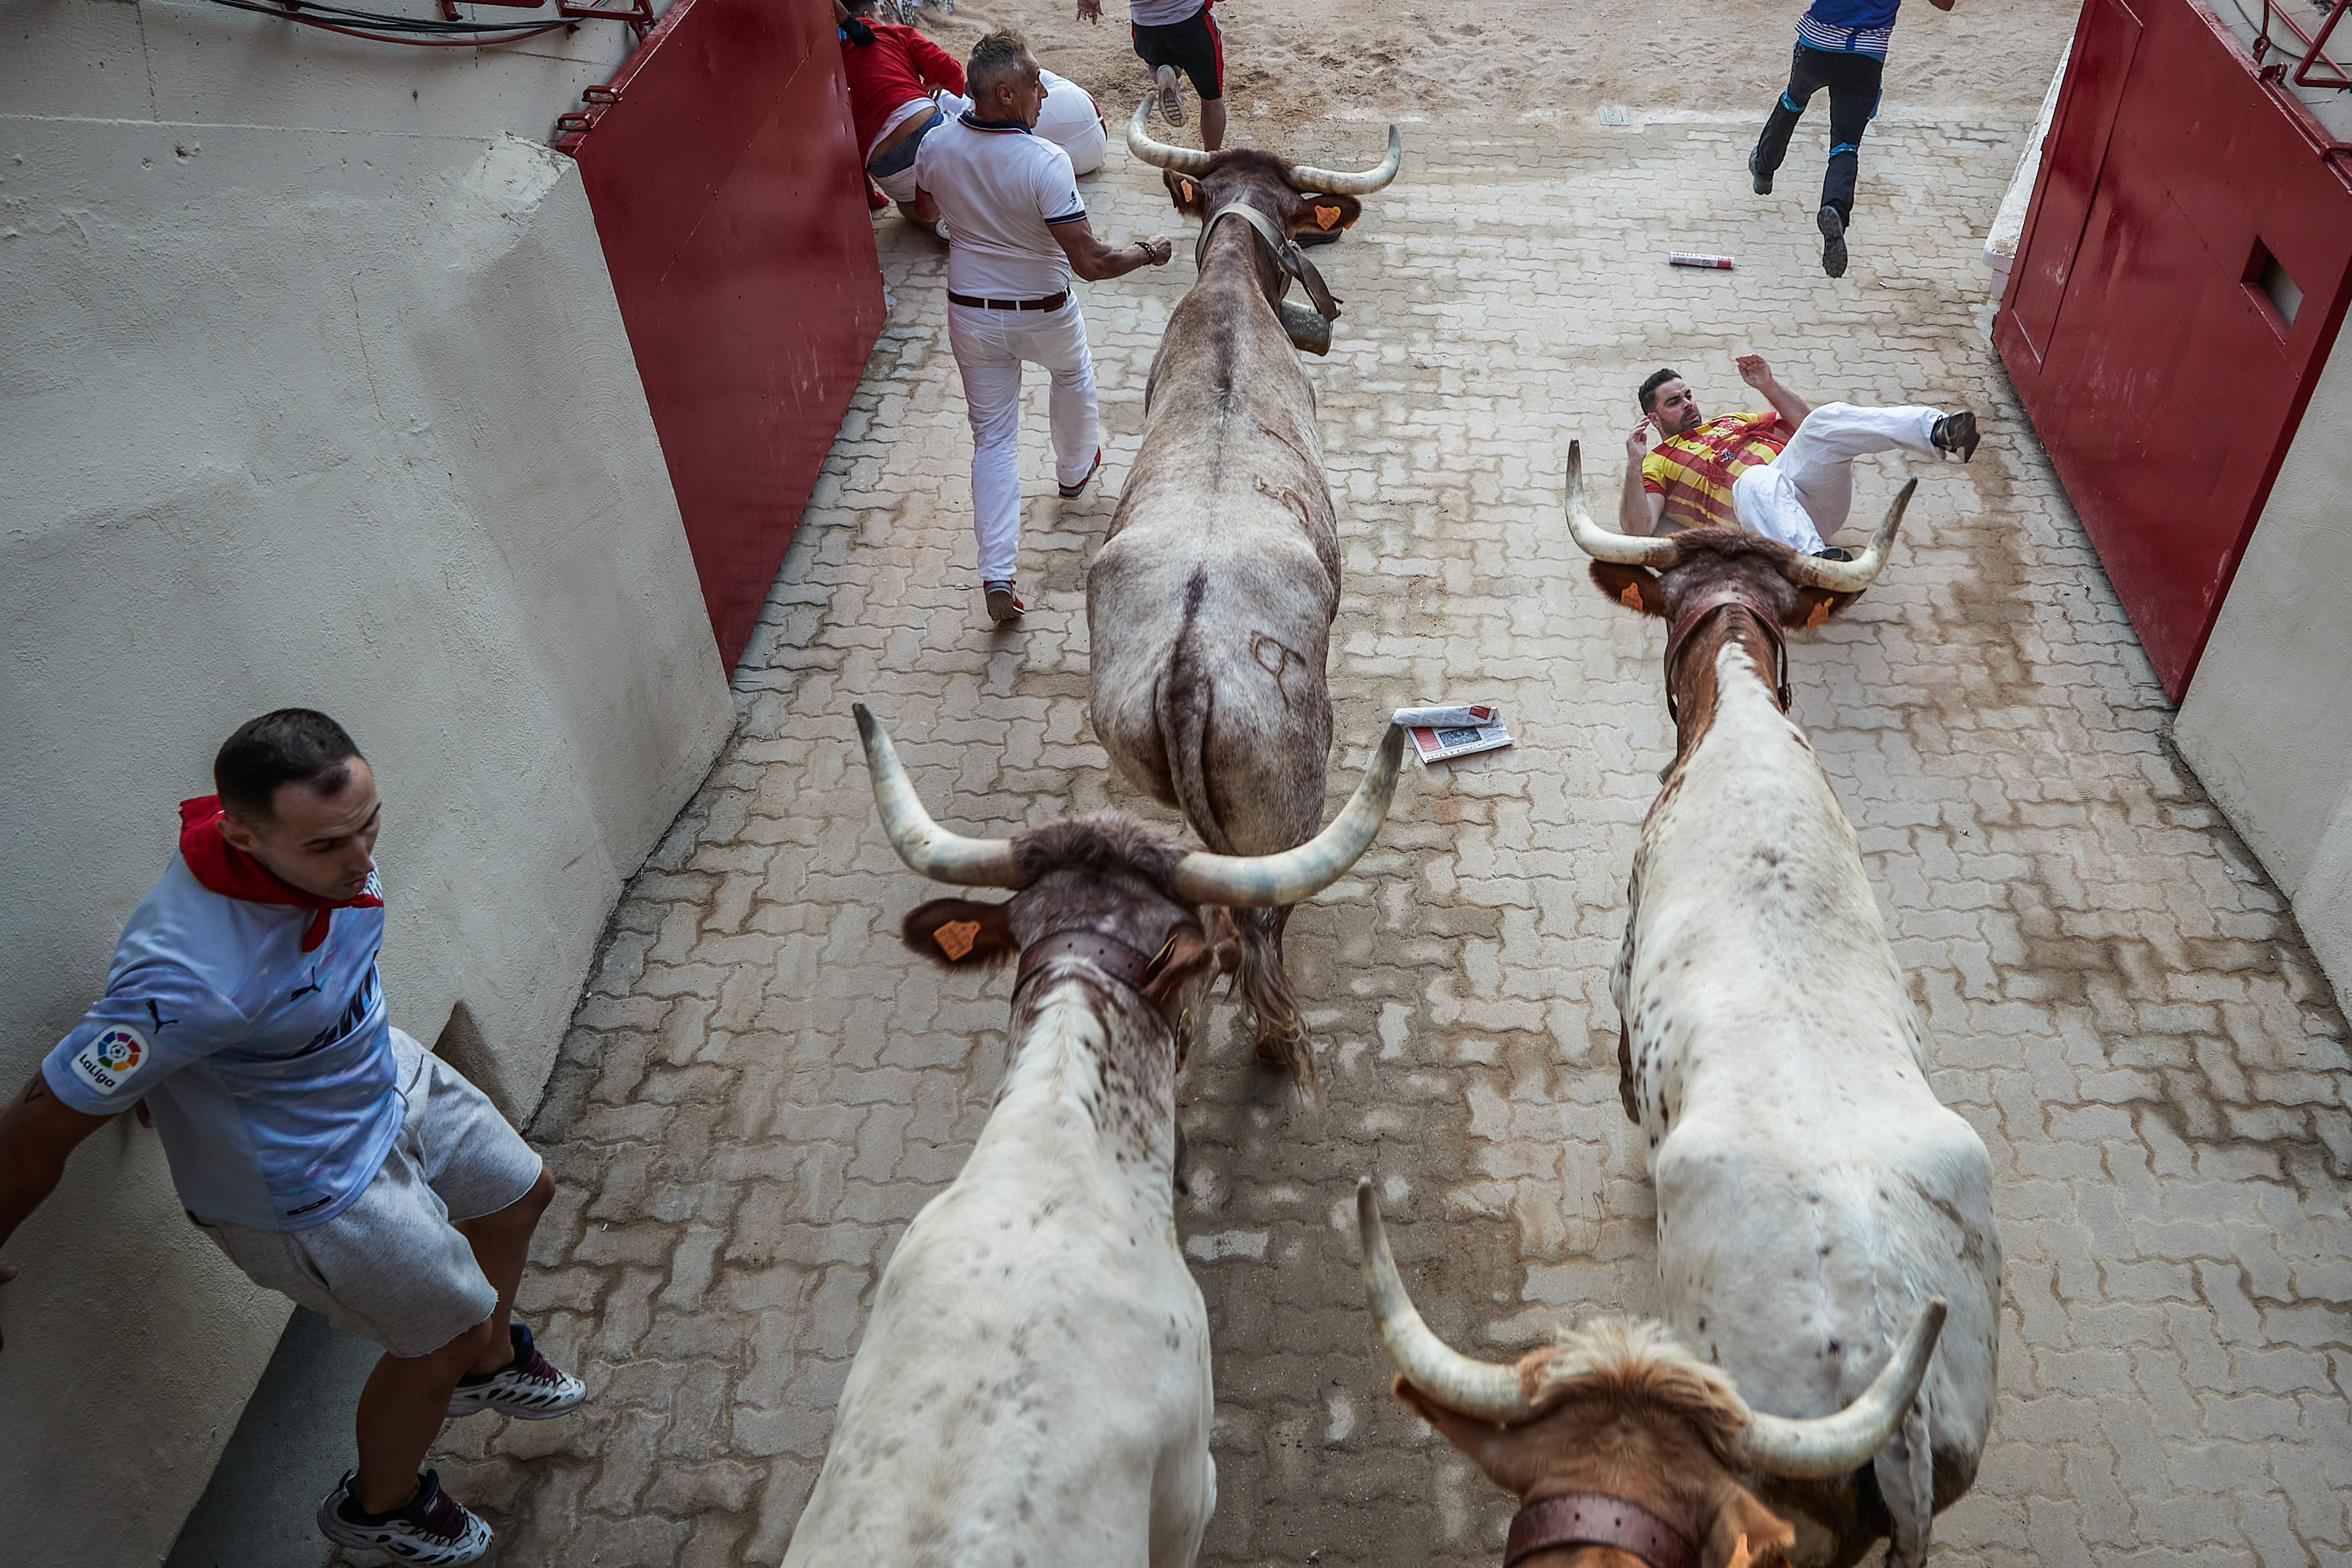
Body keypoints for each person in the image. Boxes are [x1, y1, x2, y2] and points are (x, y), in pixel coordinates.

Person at [0, 711, 580, 1566]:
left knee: (523, 1194)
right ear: (243, 833)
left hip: (380, 1069)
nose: (359, 860)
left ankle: (483, 1364)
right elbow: (38, 1122)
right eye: (327, 847)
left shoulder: (311, 844)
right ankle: (382, 1504)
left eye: (368, 824)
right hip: (307, 1187)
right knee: (442, 1328)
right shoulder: (184, 978)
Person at [915, 29, 1176, 625]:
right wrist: (1147, 250)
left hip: (969, 313)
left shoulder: (936, 147)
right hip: (1042, 308)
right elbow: (1091, 263)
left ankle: (998, 574)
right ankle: (1073, 469)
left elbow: (926, 210)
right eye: (1035, 82)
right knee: (1071, 372)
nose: (1043, 90)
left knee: (994, 440)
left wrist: (969, 217)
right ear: (1004, 94)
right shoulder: (1046, 162)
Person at [1621, 355, 1979, 556]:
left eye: (1688, 396)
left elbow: (1806, 427)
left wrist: (1768, 386)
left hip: (1811, 494)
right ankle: (1816, 562)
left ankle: (1938, 431)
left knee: (1825, 418)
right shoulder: (1658, 460)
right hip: (1763, 520)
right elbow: (1639, 528)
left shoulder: (1730, 421)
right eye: (1674, 402)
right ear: (1653, 419)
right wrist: (1634, 463)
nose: (1688, 405)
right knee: (1756, 481)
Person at [1747, 0, 1957, 277]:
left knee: (1793, 102)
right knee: (1845, 146)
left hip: (1817, 47)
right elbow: (1946, 4)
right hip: (1865, 58)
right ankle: (1834, 208)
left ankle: (1763, 170)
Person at [837, 0, 966, 234]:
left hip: (885, 166)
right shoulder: (895, 33)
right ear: (868, 15)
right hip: (930, 135)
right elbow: (953, 73)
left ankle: (936, 224)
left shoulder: (832, 64)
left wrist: (873, 199)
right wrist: (935, 83)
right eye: (881, 14)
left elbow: (847, 151)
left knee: (905, 206)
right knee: (955, 101)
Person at [1077, 0, 1229, 156]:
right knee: (1212, 99)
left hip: (1147, 29)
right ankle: (1212, 159)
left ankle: (1163, 73)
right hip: (1192, 24)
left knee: (1154, 65)